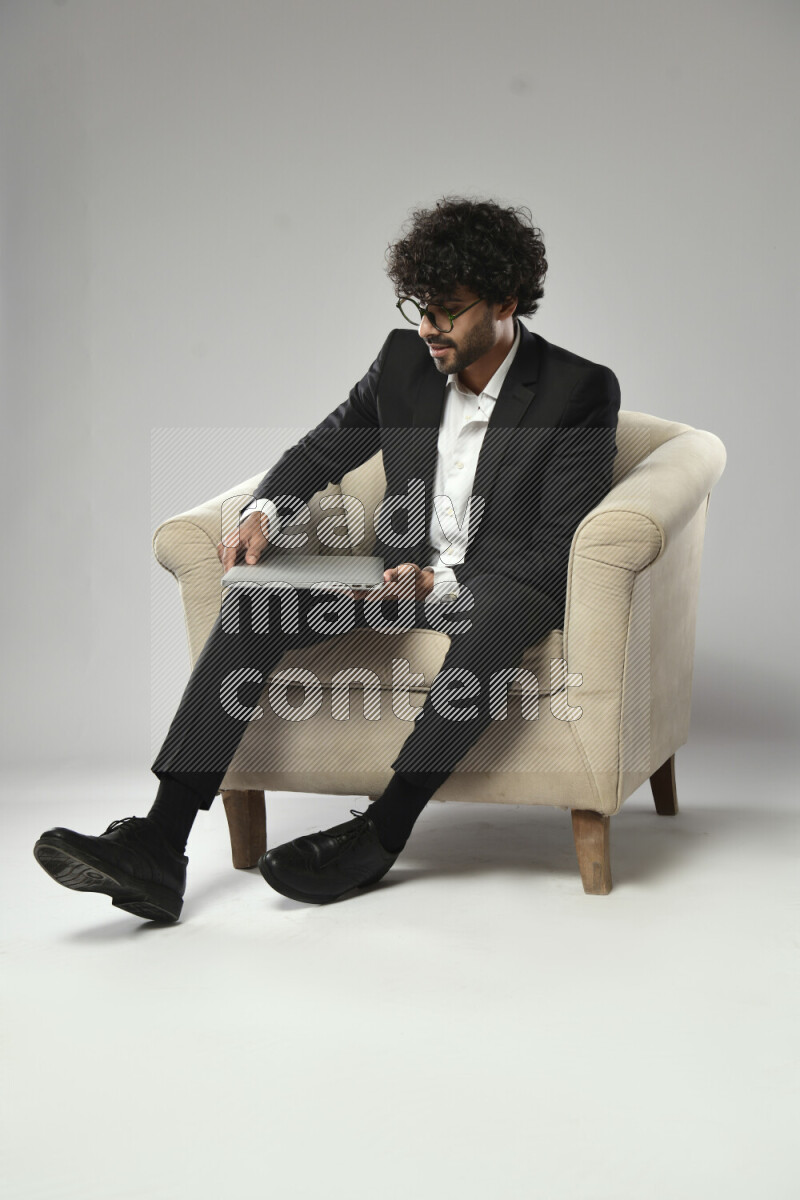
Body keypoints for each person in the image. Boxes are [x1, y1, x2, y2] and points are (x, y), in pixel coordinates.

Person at [33, 195, 620, 918]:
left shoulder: (577, 389)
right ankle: (159, 843)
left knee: (494, 614)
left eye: (448, 311)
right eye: (418, 306)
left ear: (504, 300)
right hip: (392, 578)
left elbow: (557, 545)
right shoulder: (404, 361)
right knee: (256, 604)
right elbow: (327, 444)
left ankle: (382, 830)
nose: (428, 327)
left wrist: (444, 578)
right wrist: (262, 511)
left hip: (503, 581)